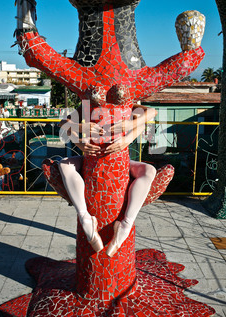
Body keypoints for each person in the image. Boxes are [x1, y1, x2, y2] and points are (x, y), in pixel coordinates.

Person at [58, 104, 158, 257]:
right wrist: (80, 136)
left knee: (149, 171)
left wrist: (128, 135)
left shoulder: (124, 103)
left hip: (119, 160)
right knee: (64, 164)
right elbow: (64, 123)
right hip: (91, 159)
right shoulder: (88, 102)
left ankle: (127, 223)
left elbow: (151, 113)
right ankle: (84, 217)